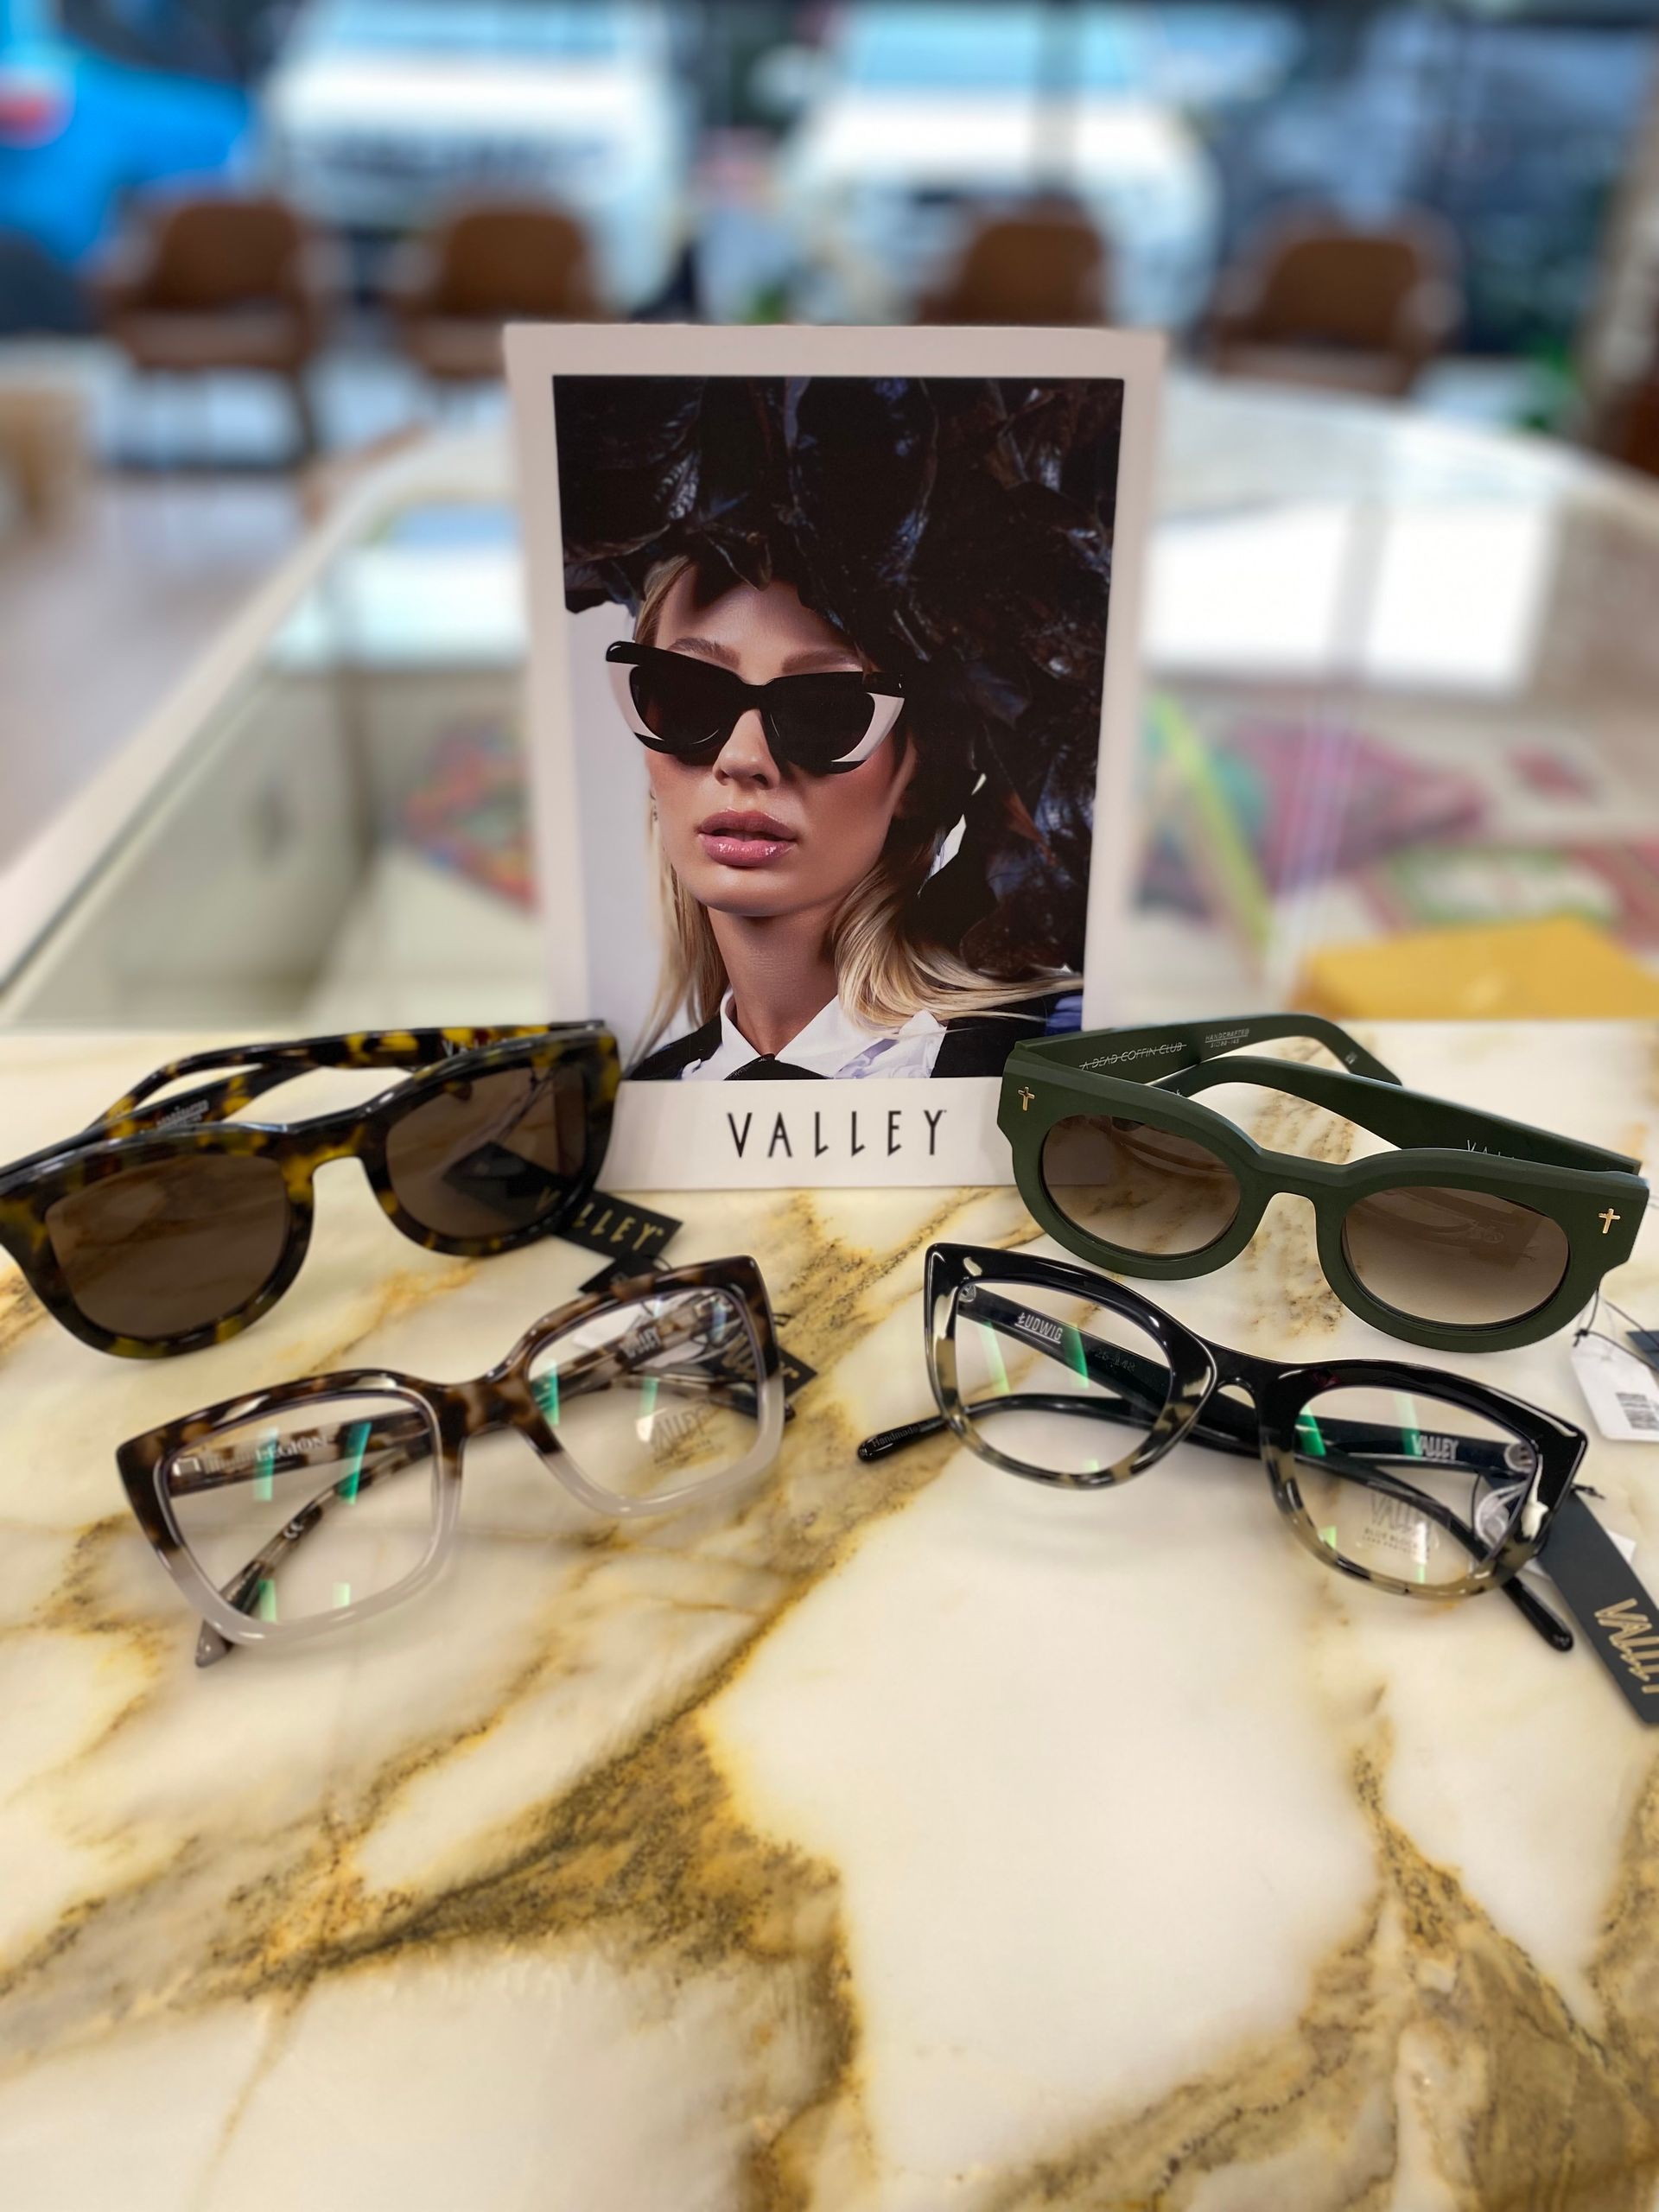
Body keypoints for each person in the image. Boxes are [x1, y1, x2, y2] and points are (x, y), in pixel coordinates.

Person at [616, 554, 1068, 1081]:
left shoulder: (1058, 1062)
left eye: (824, 709)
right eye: (688, 696)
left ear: (917, 775)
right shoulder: (634, 1108)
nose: (742, 759)